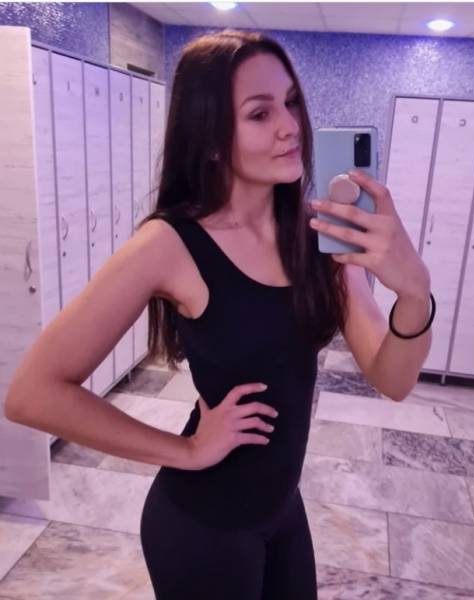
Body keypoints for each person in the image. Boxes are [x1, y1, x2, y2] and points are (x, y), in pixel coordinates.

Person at [6, 27, 433, 600]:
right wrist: (185, 448)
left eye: (291, 102)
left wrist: (414, 291)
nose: (290, 126)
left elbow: (392, 378)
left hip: (284, 511)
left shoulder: (318, 235)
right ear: (209, 138)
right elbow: (32, 394)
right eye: (260, 113)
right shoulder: (169, 244)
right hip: (202, 528)